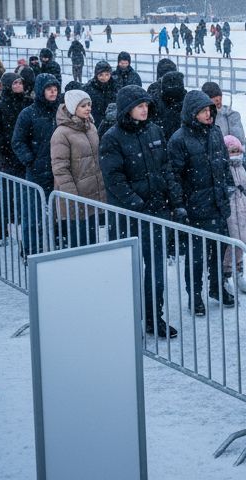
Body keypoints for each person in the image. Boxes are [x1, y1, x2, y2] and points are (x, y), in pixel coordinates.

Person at [100, 85, 182, 338]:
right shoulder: (112, 137)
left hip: (156, 213)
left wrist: (175, 201)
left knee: (156, 271)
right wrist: (136, 204)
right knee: (128, 271)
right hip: (128, 217)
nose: (144, 110)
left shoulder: (154, 130)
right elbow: (113, 178)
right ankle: (127, 318)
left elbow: (166, 168)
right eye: (139, 106)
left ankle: (154, 316)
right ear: (127, 109)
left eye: (146, 105)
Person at [168, 88, 233, 316]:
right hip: (196, 206)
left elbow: (223, 163)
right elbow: (173, 175)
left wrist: (227, 186)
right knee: (197, 256)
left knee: (219, 249)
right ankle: (194, 295)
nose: (208, 114)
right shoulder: (179, 139)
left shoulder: (215, 132)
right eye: (203, 111)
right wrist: (179, 204)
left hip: (218, 203)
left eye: (210, 110)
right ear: (192, 113)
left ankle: (216, 286)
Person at [50, 89, 106, 247]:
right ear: (72, 107)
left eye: (89, 105)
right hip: (75, 195)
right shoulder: (61, 133)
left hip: (93, 193)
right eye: (83, 106)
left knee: (92, 239)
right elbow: (60, 168)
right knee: (79, 241)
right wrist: (72, 196)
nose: (88, 108)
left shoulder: (91, 127)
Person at [12, 73, 60, 255]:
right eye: (49, 89)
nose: (53, 92)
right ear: (41, 91)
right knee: (32, 213)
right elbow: (18, 141)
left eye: (55, 89)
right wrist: (30, 160)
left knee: (58, 212)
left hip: (58, 170)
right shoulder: (28, 113)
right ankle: (31, 248)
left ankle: (56, 244)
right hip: (37, 171)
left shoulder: (61, 111)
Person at [221, 134, 246, 296]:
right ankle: (226, 274)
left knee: (243, 240)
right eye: (232, 151)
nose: (235, 154)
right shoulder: (223, 167)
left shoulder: (243, 164)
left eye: (237, 150)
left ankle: (238, 271)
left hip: (243, 207)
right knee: (230, 243)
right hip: (231, 209)